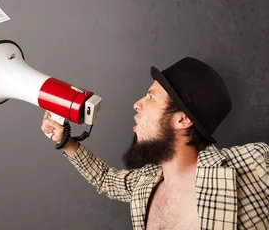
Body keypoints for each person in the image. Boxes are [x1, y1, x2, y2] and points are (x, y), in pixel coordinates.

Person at [41, 57, 269, 229]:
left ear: (183, 119)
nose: (137, 104)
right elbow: (105, 179)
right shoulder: (145, 183)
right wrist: (65, 140)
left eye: (151, 97)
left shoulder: (255, 164)